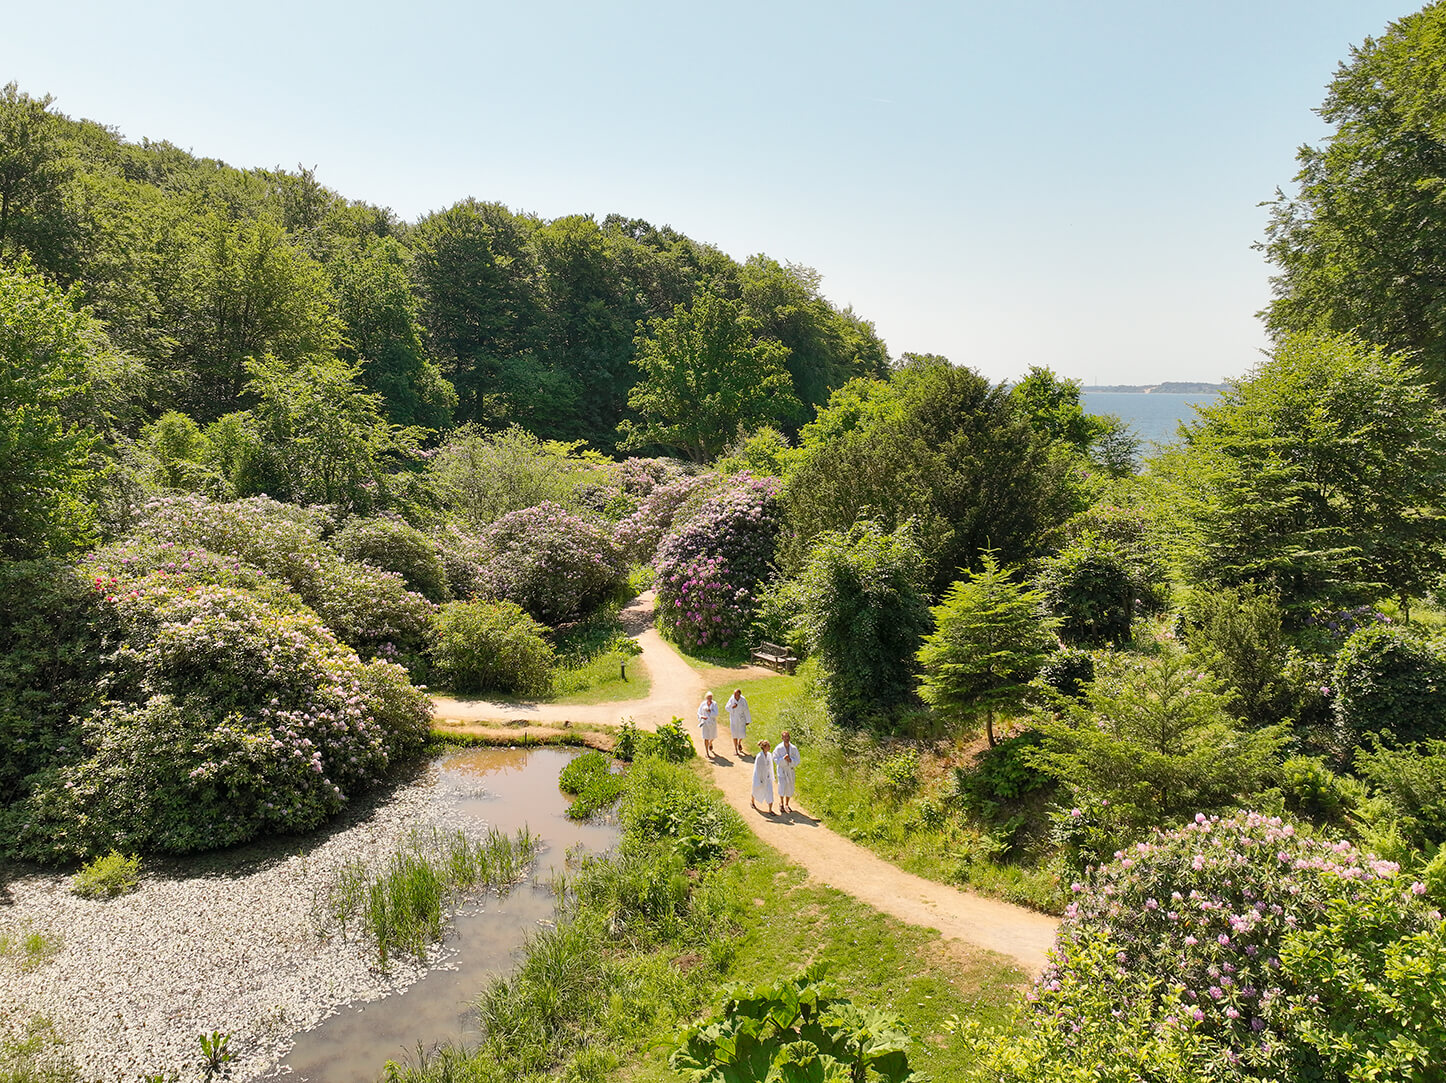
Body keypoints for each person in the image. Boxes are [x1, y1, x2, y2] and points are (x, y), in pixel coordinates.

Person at [772, 730, 800, 813]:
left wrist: (790, 760)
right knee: (782, 785)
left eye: (787, 736)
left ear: (789, 737)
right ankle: (781, 802)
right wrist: (784, 759)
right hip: (782, 769)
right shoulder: (778, 748)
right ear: (782, 738)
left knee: (789, 786)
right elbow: (775, 759)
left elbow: (797, 759)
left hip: (790, 770)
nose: (786, 738)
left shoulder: (794, 748)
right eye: (784, 737)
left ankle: (787, 804)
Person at [751, 740, 776, 814]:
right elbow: (757, 769)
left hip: (767, 778)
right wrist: (759, 779)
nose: (769, 747)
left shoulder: (769, 755)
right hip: (760, 778)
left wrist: (771, 776)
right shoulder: (759, 756)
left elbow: (771, 766)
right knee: (756, 790)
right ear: (764, 747)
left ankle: (770, 810)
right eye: (768, 746)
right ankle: (752, 802)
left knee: (770, 793)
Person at [725, 688, 751, 756]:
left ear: (739, 694)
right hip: (734, 719)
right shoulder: (731, 699)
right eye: (734, 694)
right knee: (734, 734)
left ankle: (739, 742)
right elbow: (727, 707)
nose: (735, 695)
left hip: (741, 719)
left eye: (736, 694)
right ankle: (736, 749)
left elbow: (746, 710)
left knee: (742, 733)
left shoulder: (743, 700)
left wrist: (748, 720)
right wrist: (732, 707)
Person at [697, 691, 719, 758]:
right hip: (705, 723)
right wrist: (701, 717)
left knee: (712, 736)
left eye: (711, 697)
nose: (710, 698)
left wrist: (710, 711)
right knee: (706, 737)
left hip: (712, 723)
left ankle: (710, 742)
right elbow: (698, 712)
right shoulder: (703, 704)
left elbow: (716, 714)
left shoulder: (714, 704)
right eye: (708, 697)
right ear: (706, 697)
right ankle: (707, 753)